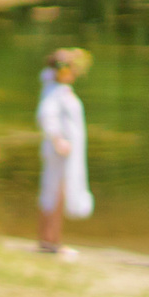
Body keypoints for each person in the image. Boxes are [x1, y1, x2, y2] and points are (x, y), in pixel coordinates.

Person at [36, 47, 92, 253]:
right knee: (53, 193)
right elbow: (45, 116)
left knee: (56, 193)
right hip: (59, 152)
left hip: (63, 152)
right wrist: (59, 140)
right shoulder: (54, 90)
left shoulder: (59, 89)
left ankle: (51, 240)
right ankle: (49, 241)